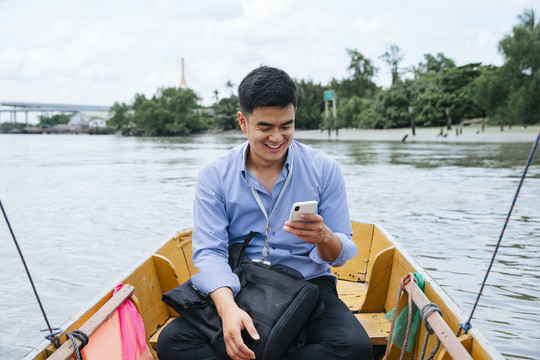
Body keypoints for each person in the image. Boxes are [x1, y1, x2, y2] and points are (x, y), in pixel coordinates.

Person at [157, 66, 373, 360]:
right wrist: (228, 309)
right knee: (174, 341)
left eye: (286, 125)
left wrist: (324, 237)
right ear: (243, 122)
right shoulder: (214, 176)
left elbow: (340, 254)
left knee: (355, 348)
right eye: (265, 127)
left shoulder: (324, 170)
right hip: (244, 284)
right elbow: (210, 254)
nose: (277, 138)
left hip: (309, 286)